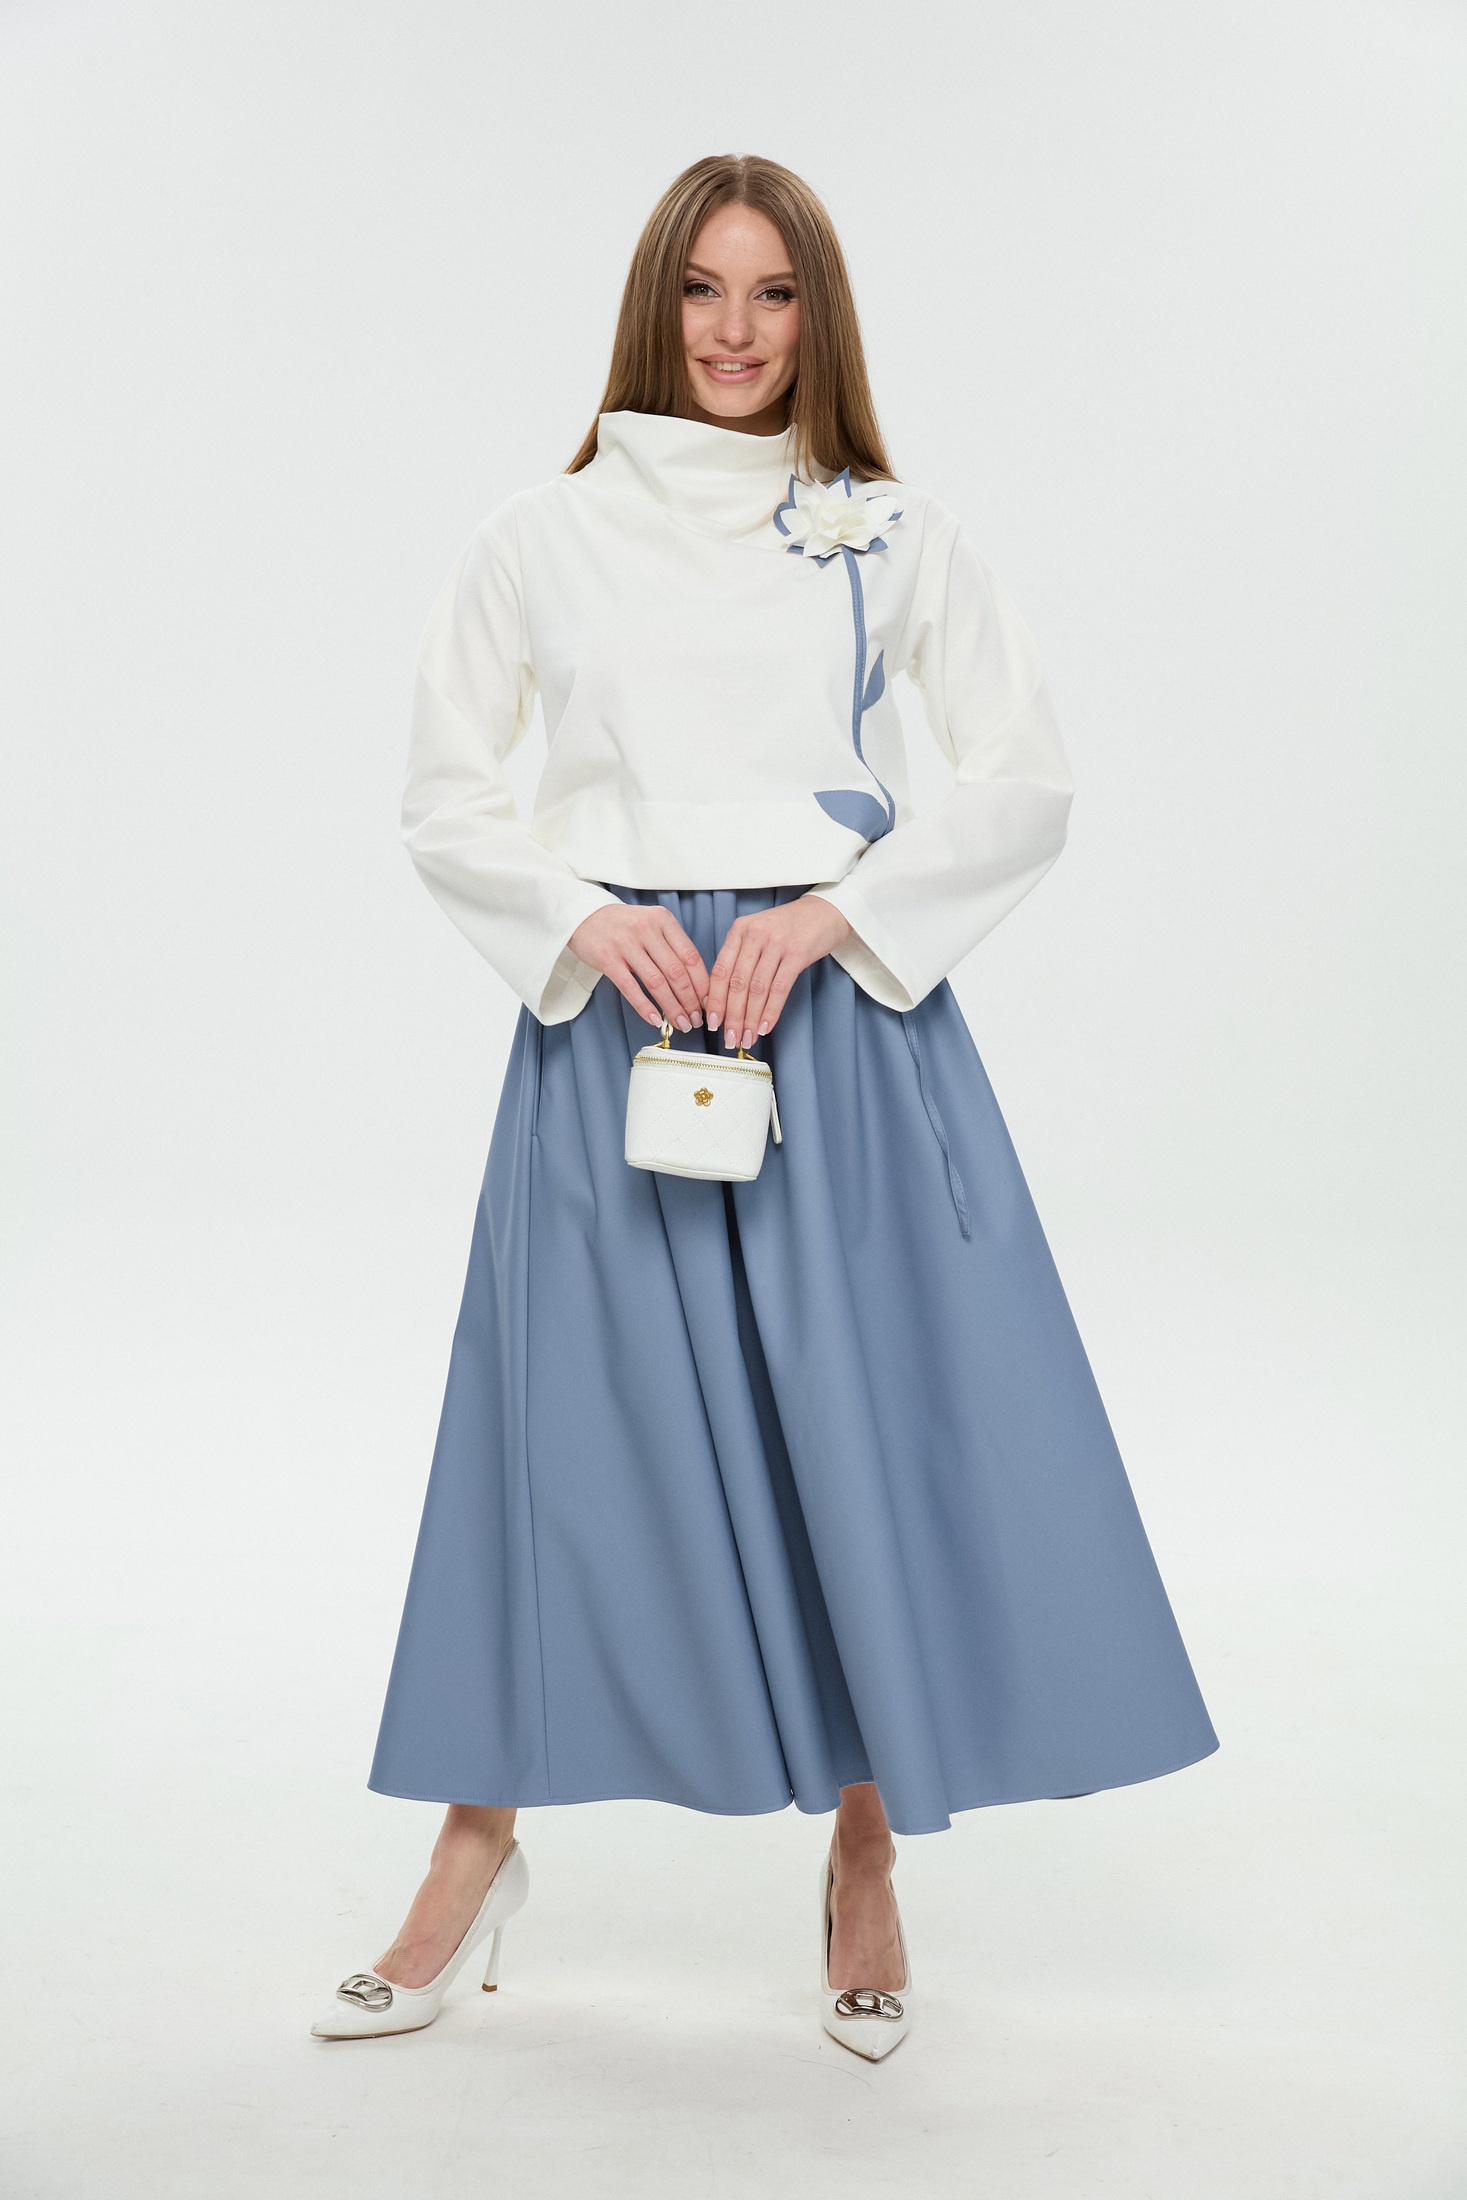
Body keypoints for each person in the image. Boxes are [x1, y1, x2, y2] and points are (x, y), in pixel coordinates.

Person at [312, 153, 1217, 2061]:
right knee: (553, 1441)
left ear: (822, 316)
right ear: (657, 304)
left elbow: (1025, 778)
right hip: (618, 1031)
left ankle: (865, 1850)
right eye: (706, 290)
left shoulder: (891, 532)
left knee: (851, 1438)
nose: (737, 331)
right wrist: (579, 914)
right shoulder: (539, 536)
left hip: (836, 1032)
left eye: (777, 294)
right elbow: (445, 792)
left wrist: (834, 916)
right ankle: (475, 1849)